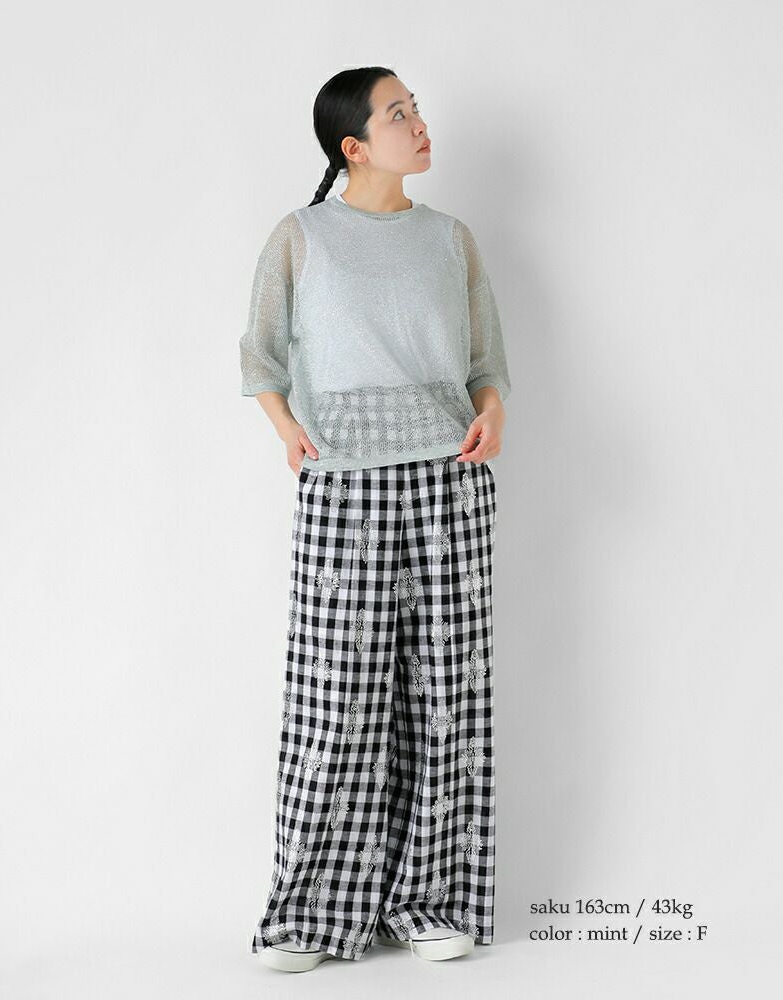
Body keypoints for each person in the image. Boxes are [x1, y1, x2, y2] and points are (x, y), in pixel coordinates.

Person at [239, 66, 512, 973]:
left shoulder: (450, 239)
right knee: (338, 696)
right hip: (344, 487)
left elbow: (486, 360)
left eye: (417, 108)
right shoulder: (302, 236)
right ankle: (310, 911)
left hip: (448, 483)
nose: (420, 123)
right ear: (354, 146)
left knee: (446, 696)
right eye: (400, 114)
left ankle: (429, 899)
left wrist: (493, 412)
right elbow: (260, 354)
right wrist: (288, 431)